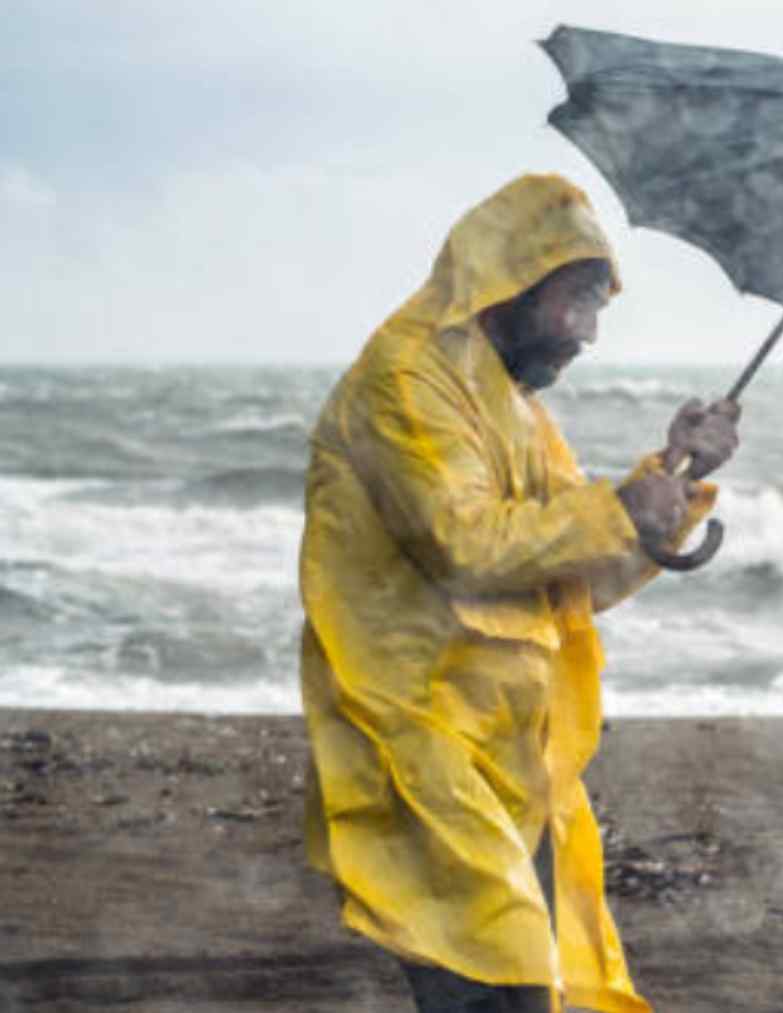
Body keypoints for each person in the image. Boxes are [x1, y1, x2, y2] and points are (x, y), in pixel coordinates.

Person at [297, 173, 738, 1013]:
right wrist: (618, 508)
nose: (589, 332)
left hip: (509, 749)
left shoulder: (514, 405)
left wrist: (671, 479)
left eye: (598, 307)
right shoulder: (407, 379)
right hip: (418, 733)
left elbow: (572, 573)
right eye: (577, 299)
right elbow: (462, 542)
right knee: (497, 982)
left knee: (529, 977)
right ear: (512, 279)